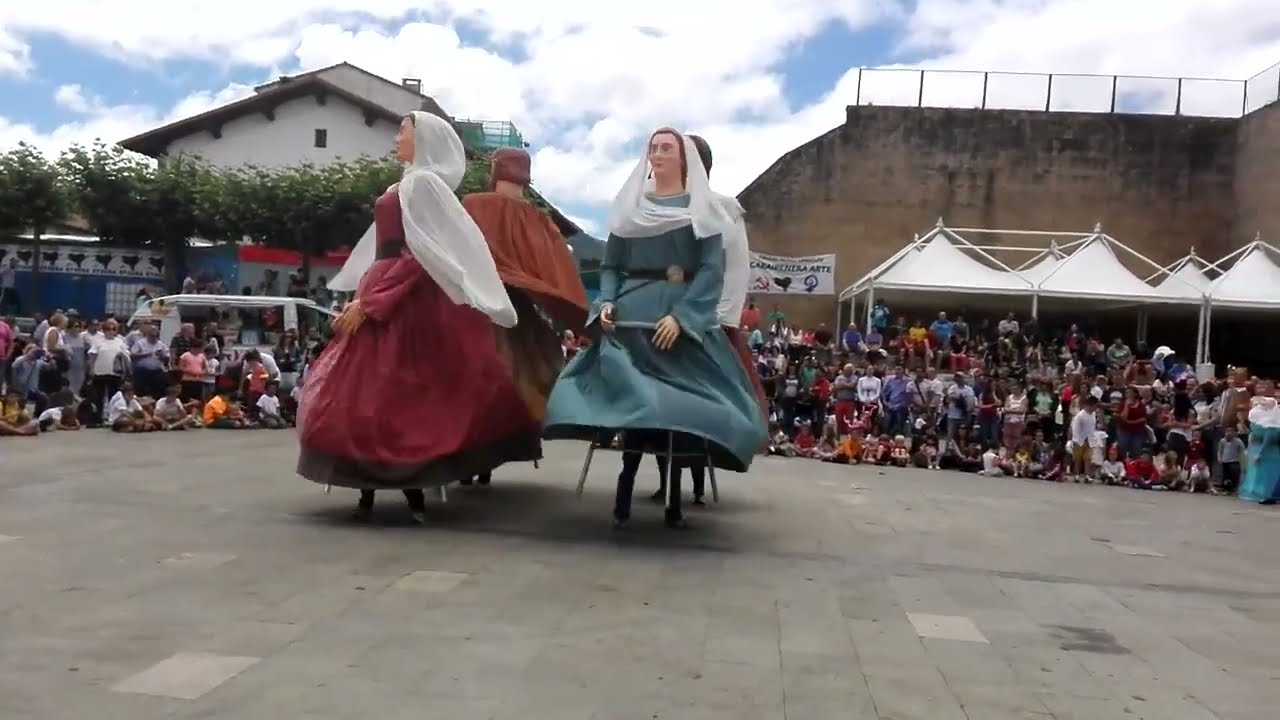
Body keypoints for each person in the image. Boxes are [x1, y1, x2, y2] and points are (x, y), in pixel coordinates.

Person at [300, 111, 530, 524]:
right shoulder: (406, 183)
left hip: (405, 296)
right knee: (370, 389)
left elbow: (421, 254)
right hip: (382, 283)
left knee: (396, 390)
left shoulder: (423, 184)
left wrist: (372, 302)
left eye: (403, 131)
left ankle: (406, 485)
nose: (396, 138)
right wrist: (363, 295)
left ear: (422, 139)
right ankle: (371, 484)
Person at [542, 127, 767, 529]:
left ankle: (674, 498)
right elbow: (611, 266)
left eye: (667, 148)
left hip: (674, 320)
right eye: (654, 148)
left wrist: (683, 317)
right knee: (634, 403)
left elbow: (711, 271)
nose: (658, 154)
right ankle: (624, 495)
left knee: (674, 408)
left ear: (684, 159)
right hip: (631, 317)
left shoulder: (704, 211)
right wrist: (606, 301)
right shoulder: (630, 207)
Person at [458, 147, 590, 486]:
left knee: (476, 383)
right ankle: (487, 455)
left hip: (483, 308)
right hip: (517, 315)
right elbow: (558, 271)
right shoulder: (540, 221)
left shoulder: (475, 205)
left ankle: (474, 456)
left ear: (495, 169)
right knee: (515, 382)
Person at [1238, 392, 1280, 504]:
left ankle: (1266, 495)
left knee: (1267, 474)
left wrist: (1261, 454)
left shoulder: (1271, 422)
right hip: (1257, 448)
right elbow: (1253, 435)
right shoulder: (1259, 419)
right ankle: (1260, 494)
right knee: (1257, 473)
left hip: (1268, 451)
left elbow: (1268, 440)